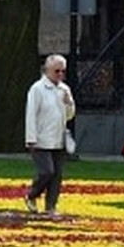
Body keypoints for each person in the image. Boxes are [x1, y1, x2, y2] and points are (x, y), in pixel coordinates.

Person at [23, 53, 76, 216]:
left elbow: (69, 115)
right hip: (41, 139)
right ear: (47, 70)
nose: (60, 75)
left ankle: (50, 206)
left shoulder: (64, 89)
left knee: (57, 175)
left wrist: (69, 103)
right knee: (47, 171)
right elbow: (31, 114)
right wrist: (31, 139)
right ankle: (32, 194)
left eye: (62, 71)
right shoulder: (37, 89)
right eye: (57, 71)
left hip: (59, 140)